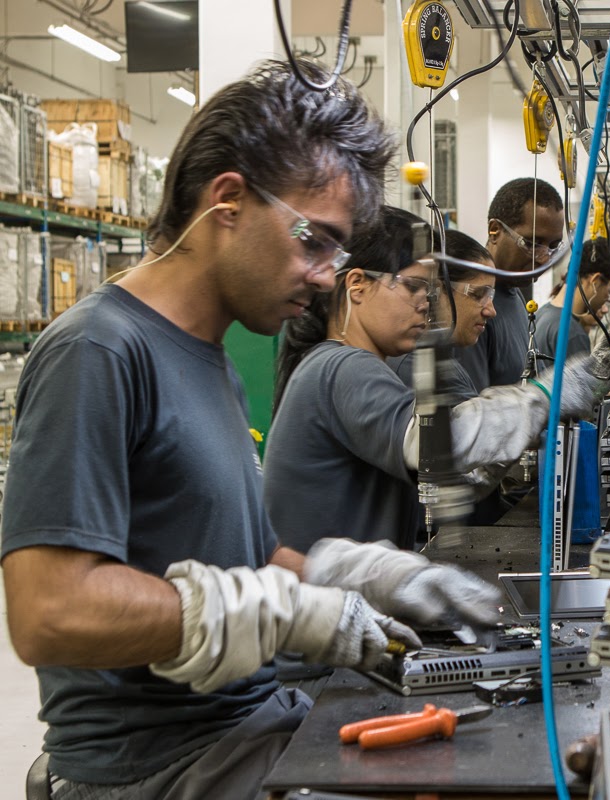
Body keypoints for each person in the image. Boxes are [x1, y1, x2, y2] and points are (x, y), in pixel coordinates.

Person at [0, 61, 497, 800]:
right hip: (159, 765)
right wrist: (281, 613)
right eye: (315, 241)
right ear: (227, 200)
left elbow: (244, 553)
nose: (329, 276)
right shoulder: (98, 350)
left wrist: (352, 580)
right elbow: (50, 612)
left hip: (250, 721)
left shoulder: (211, 359)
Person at [264, 211, 610, 555]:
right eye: (414, 287)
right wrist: (549, 395)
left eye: (432, 290)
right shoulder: (340, 366)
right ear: (357, 285)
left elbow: (445, 484)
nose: (427, 303)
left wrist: (528, 425)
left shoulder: (346, 365)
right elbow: (439, 445)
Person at [458, 178, 566, 393]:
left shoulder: (515, 295)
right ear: (495, 230)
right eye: (531, 243)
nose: (544, 259)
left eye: (553, 247)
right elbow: (474, 411)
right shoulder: (470, 306)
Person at [390, 228, 498, 402]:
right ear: (435, 291)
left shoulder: (440, 361)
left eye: (490, 296)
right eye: (478, 295)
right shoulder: (417, 365)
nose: (491, 311)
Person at [533, 236, 610, 363]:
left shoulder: (540, 315)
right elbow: (578, 383)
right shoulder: (572, 333)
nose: (608, 300)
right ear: (595, 281)